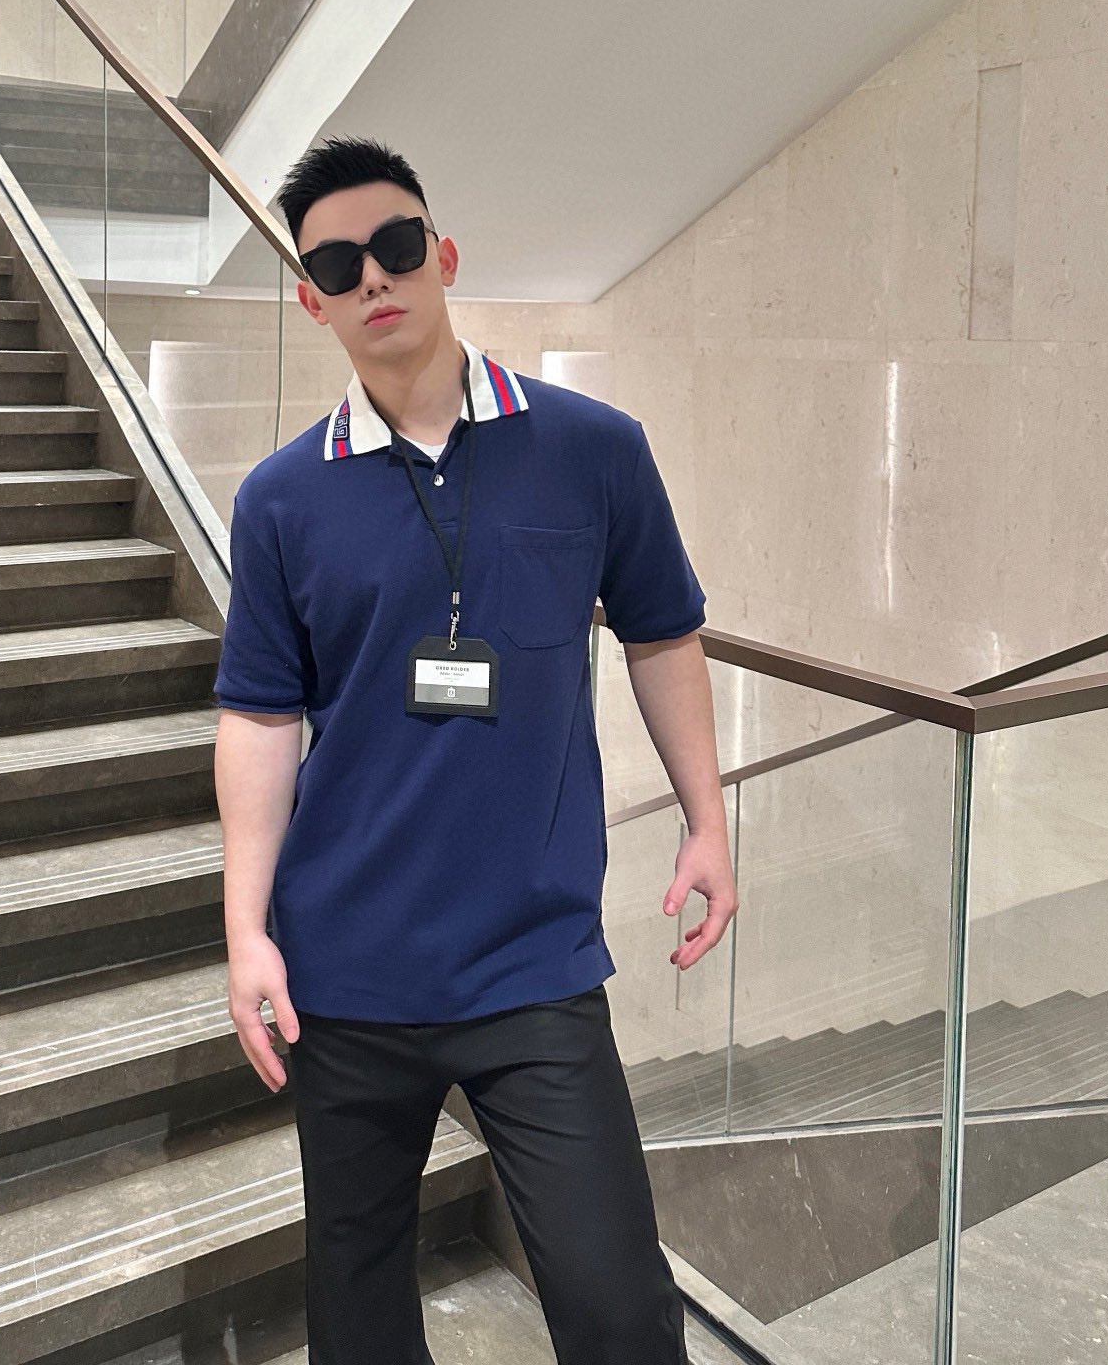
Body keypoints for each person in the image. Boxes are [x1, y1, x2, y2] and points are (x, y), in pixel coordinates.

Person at [212, 136, 738, 1365]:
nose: (373, 278)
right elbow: (260, 718)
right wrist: (245, 929)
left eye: (396, 246)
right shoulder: (282, 500)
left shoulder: (592, 448)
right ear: (313, 302)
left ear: (443, 256)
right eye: (337, 266)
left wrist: (708, 819)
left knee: (620, 1311)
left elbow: (663, 634)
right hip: (345, 971)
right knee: (359, 1319)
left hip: (533, 964)